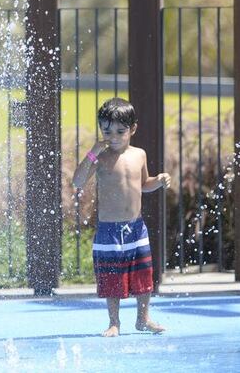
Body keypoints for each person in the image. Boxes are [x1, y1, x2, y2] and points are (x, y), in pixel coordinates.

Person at [72, 97, 171, 337]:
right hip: (109, 229)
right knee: (111, 277)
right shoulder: (102, 157)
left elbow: (143, 184)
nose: (113, 136)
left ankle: (143, 318)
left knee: (143, 274)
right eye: (106, 131)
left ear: (132, 129)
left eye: (119, 131)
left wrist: (157, 181)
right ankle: (114, 322)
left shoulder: (139, 155)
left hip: (136, 228)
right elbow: (77, 181)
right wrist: (93, 152)